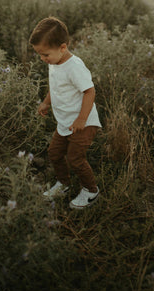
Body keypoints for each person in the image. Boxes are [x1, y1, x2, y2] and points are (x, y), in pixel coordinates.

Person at [29, 16, 102, 209]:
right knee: (54, 153)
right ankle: (64, 184)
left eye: (45, 55)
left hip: (83, 123)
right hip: (65, 122)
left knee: (76, 158)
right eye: (40, 55)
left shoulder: (74, 66)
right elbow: (55, 87)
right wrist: (45, 103)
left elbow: (89, 91)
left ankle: (91, 190)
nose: (43, 59)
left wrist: (82, 119)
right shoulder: (55, 62)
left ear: (62, 47)